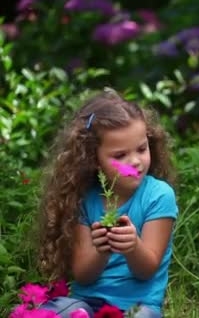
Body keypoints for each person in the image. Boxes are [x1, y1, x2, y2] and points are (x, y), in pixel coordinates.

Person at [37, 90, 178, 317]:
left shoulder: (159, 195)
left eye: (142, 149)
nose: (134, 161)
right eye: (120, 155)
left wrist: (133, 247)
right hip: (88, 302)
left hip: (138, 306)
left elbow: (148, 269)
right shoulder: (85, 198)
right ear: (93, 159)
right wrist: (101, 251)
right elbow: (83, 275)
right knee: (57, 311)